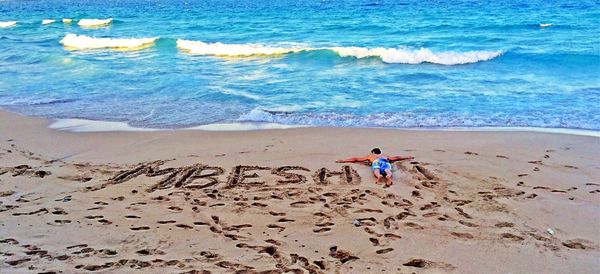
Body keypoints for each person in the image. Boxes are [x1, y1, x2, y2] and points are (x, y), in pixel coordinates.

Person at [336, 148, 414, 186]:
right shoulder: (385, 155)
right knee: (387, 169)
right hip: (385, 161)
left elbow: (355, 159)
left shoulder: (371, 156)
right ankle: (388, 176)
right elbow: (396, 157)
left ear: (373, 152)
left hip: (376, 162)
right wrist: (408, 157)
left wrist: (343, 160)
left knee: (376, 169)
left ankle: (378, 176)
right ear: (380, 152)